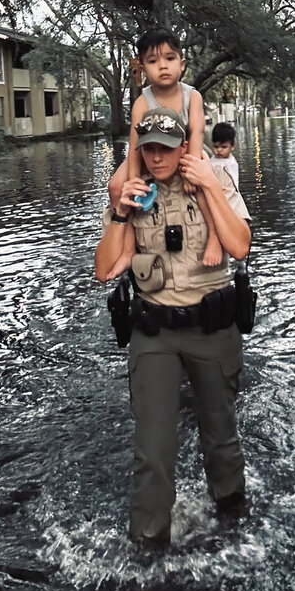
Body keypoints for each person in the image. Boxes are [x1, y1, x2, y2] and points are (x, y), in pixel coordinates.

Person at [95, 107, 252, 549]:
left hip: (212, 329)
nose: (157, 157)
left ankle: (233, 518)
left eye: (166, 148)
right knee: (153, 447)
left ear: (184, 147)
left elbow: (240, 245)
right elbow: (104, 270)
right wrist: (120, 214)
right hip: (155, 333)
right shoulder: (133, 192)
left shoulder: (214, 180)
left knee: (220, 434)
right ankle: (149, 543)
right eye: (149, 149)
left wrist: (209, 187)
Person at [105, 28, 223, 281]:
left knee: (203, 184)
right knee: (117, 187)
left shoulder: (192, 96)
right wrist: (134, 180)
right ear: (143, 69)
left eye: (170, 58)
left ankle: (214, 236)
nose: (163, 66)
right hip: (149, 151)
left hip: (187, 149)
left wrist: (191, 171)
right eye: (153, 61)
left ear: (182, 64)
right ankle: (128, 250)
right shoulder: (142, 102)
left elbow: (197, 130)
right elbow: (135, 145)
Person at [210, 122, 239, 190]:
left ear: (232, 146)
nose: (219, 150)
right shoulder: (213, 158)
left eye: (224, 147)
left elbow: (233, 184)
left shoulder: (230, 164)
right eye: (216, 147)